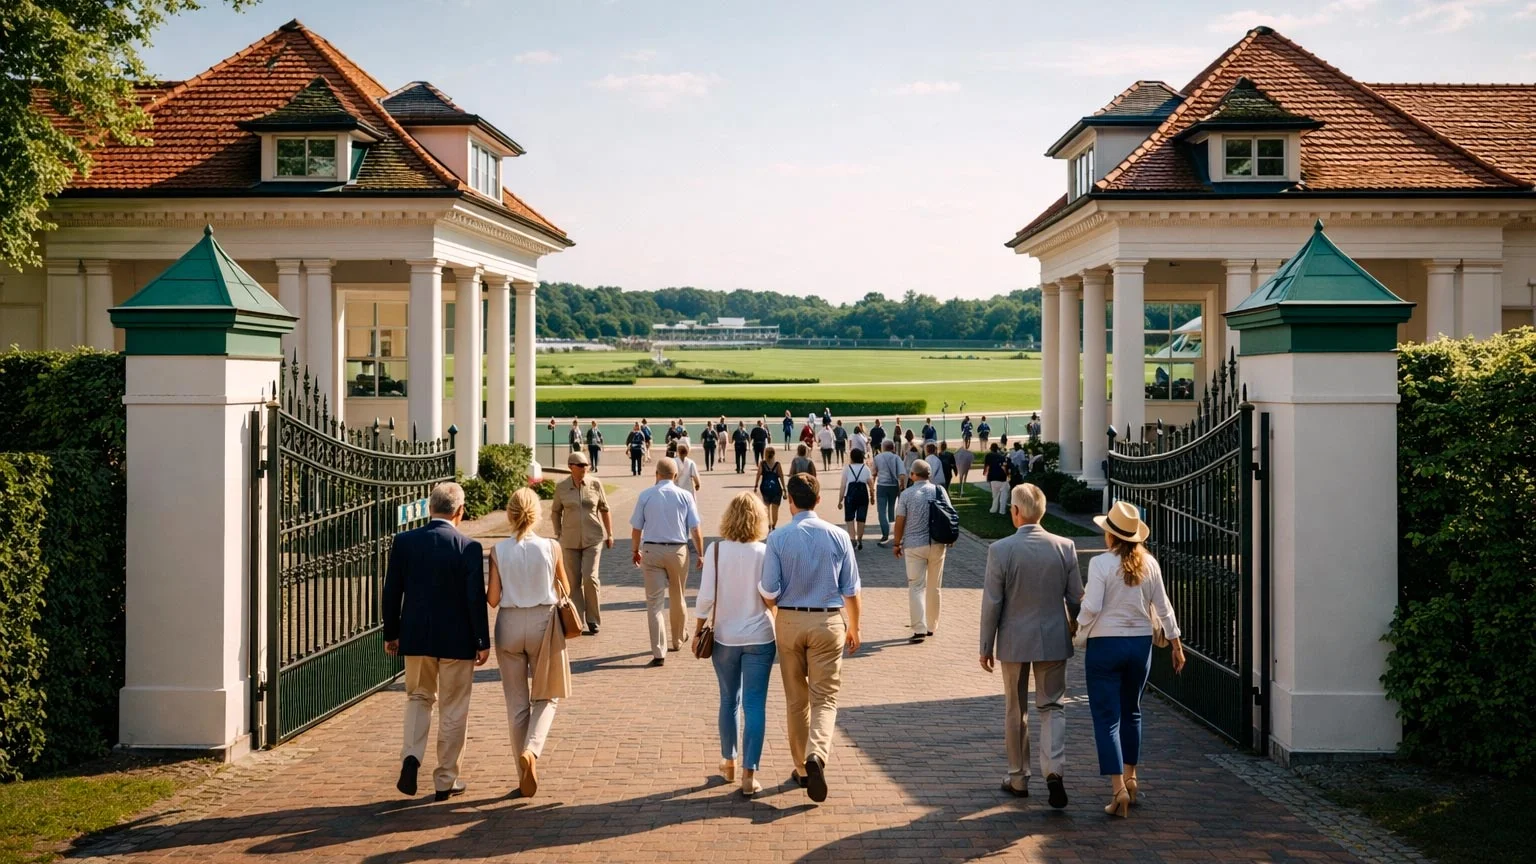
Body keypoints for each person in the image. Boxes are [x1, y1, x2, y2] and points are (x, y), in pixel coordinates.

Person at [1077, 501, 1186, 818]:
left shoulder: (1100, 564)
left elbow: (1093, 606)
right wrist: (1176, 644)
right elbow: (1163, 606)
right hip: (1140, 646)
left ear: (1111, 535)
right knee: (1132, 712)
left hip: (1105, 646)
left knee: (1106, 718)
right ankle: (1132, 778)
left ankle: (1118, 790)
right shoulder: (1149, 564)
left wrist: (1079, 623)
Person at [382, 482, 489, 801]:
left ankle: (412, 756)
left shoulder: (404, 542)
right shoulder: (467, 546)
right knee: (453, 707)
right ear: (460, 511)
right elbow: (475, 599)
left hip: (416, 637)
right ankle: (445, 778)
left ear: (430, 508)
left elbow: (391, 592)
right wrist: (482, 639)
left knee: (418, 697)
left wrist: (392, 632)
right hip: (457, 640)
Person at [979, 483, 1083, 806]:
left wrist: (986, 645)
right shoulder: (1064, 546)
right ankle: (1053, 770)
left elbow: (992, 602)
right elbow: (1076, 598)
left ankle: (1018, 777)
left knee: (1015, 708)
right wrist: (1076, 624)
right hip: (1053, 636)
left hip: (1013, 639)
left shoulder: (1001, 550)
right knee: (1052, 706)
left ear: (1015, 512)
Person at [760, 473, 862, 803]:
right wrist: (854, 626)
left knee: (795, 699)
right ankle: (817, 753)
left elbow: (769, 589)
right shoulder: (838, 536)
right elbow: (851, 589)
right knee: (825, 697)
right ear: (818, 500)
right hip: (827, 619)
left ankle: (802, 768)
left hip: (789, 618)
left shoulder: (777, 538)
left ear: (789, 501)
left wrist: (775, 609)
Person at [487, 487, 572, 799]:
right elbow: (565, 587)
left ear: (509, 515)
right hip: (543, 622)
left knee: (516, 704)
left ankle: (522, 772)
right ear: (536, 514)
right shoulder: (552, 547)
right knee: (547, 695)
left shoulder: (498, 550)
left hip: (509, 623)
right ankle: (532, 751)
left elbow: (493, 599)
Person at [695, 493, 776, 798]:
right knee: (755, 704)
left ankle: (728, 761)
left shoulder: (716, 551)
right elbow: (772, 592)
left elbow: (705, 598)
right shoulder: (764, 553)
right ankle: (749, 774)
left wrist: (698, 629)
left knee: (729, 700)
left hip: (725, 637)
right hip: (760, 635)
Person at [630, 459, 706, 667]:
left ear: (656, 474)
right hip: (677, 550)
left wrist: (634, 550)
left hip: (651, 550)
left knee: (654, 602)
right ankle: (678, 638)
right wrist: (700, 553)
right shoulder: (685, 496)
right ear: (675, 476)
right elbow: (695, 528)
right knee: (678, 594)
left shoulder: (645, 495)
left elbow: (636, 528)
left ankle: (658, 650)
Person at [550, 451, 613, 636]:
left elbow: (605, 508)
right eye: (580, 465)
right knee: (573, 581)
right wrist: (558, 532)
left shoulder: (595, 484)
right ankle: (577, 620)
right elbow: (555, 511)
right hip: (569, 541)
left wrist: (610, 534)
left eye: (586, 465)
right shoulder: (561, 487)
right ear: (571, 467)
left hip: (593, 539)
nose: (585, 468)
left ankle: (593, 619)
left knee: (590, 578)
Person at [892, 460, 952, 643]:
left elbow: (900, 520)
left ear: (913, 475)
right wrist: (950, 536)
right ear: (929, 475)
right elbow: (950, 512)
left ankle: (919, 628)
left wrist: (897, 543)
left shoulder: (907, 495)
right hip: (937, 543)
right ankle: (932, 626)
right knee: (935, 587)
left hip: (914, 545)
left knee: (916, 586)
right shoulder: (940, 490)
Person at [838, 448, 873, 550]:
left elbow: (843, 485)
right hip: (863, 495)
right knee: (861, 518)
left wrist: (840, 500)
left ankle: (852, 539)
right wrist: (872, 496)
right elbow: (871, 484)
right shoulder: (866, 468)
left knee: (850, 518)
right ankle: (860, 539)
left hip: (850, 496)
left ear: (852, 457)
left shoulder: (847, 468)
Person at [872, 439, 905, 546]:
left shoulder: (877, 457)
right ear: (893, 448)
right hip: (893, 486)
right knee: (892, 507)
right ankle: (894, 529)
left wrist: (871, 488)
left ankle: (885, 533)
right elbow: (901, 474)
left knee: (882, 511)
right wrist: (902, 485)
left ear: (883, 447)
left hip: (882, 485)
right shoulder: (896, 458)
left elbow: (874, 473)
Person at [755, 445, 786, 528]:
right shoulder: (777, 465)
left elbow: (758, 475)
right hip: (776, 489)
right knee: (775, 509)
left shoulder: (763, 464)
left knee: (767, 507)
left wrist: (756, 485)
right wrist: (784, 489)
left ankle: (768, 524)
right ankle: (773, 525)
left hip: (765, 488)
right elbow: (781, 476)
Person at [985, 443, 1009, 514]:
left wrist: (986, 475)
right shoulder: (1002, 457)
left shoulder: (988, 455)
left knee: (995, 495)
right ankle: (1002, 510)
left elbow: (987, 466)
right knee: (1004, 495)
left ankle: (993, 509)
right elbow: (1005, 467)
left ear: (991, 449)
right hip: (1002, 477)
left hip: (993, 477)